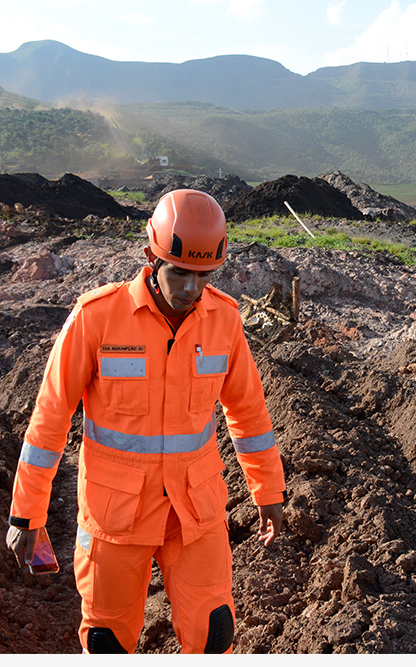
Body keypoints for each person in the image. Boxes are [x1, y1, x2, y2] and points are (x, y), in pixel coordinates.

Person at [5, 189, 286, 654]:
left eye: (203, 275)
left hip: (195, 511)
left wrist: (269, 491)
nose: (191, 289)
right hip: (116, 515)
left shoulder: (225, 322)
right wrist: (27, 511)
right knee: (107, 640)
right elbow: (50, 419)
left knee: (215, 634)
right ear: (150, 257)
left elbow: (249, 414)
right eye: (179, 273)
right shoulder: (96, 319)